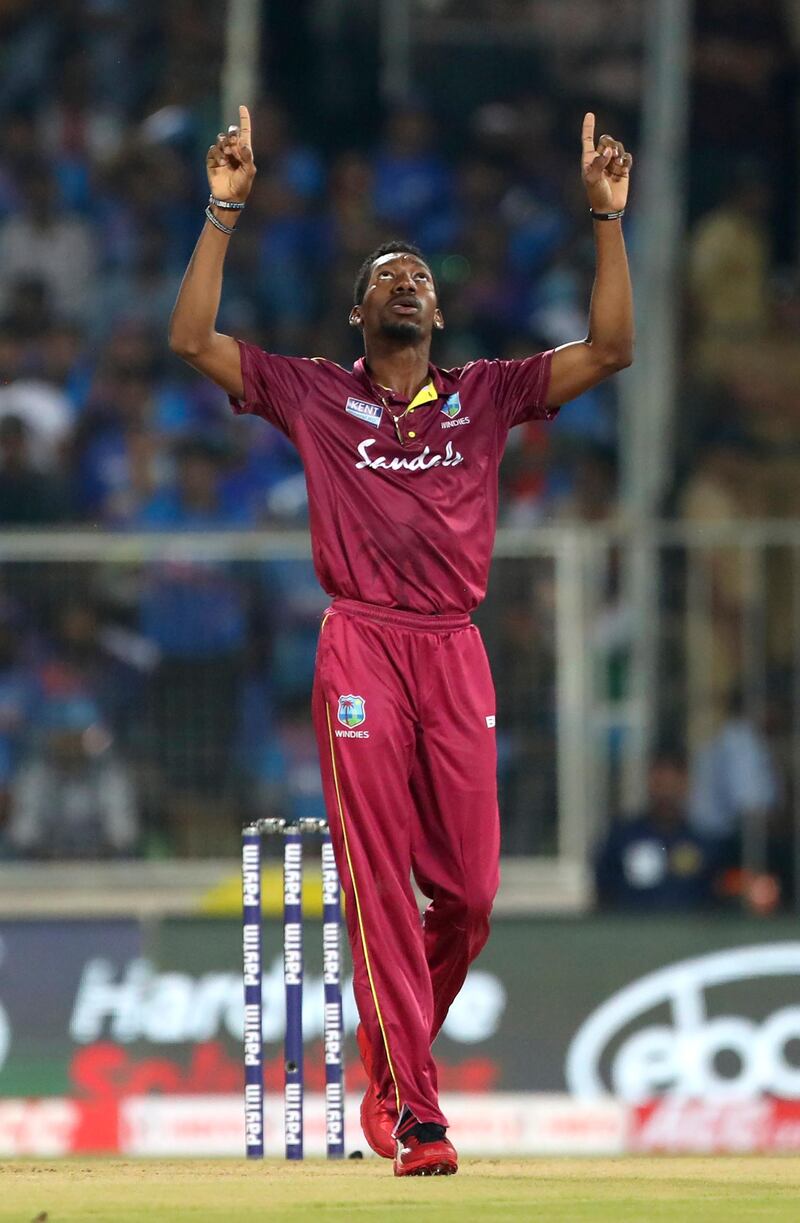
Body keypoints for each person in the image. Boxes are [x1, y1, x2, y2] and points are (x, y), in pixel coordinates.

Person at [169, 105, 633, 1177]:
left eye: (418, 272)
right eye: (385, 273)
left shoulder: (484, 395)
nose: (405, 280)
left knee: (467, 893)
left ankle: (388, 1063)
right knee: (380, 878)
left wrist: (605, 219)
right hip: (363, 646)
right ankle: (418, 1116)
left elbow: (611, 346)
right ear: (357, 311)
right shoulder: (312, 393)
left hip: (451, 646)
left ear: (438, 307)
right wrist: (224, 207)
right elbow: (191, 339)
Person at [595, 750, 720, 912]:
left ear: (685, 784)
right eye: (660, 784)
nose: (666, 794)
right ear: (649, 782)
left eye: (672, 785)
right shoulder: (622, 837)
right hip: (631, 932)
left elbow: (714, 900)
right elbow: (603, 893)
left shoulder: (704, 842)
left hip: (688, 934)